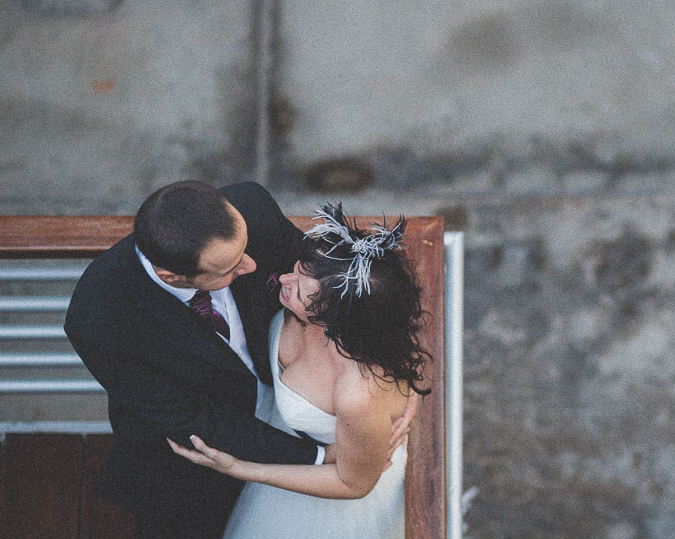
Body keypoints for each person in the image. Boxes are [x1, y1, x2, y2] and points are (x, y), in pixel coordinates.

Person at [63, 181, 414, 539]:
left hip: (301, 434)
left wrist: (400, 382)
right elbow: (197, 419)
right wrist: (319, 456)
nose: (254, 265)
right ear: (175, 277)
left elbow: (351, 293)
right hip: (195, 462)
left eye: (245, 248)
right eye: (231, 266)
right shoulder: (99, 319)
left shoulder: (250, 207)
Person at [168, 202, 430, 539]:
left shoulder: (357, 393)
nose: (284, 278)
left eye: (300, 289)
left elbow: (352, 483)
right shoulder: (306, 297)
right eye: (297, 269)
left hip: (332, 499)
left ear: (336, 319)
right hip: (285, 446)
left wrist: (241, 469)